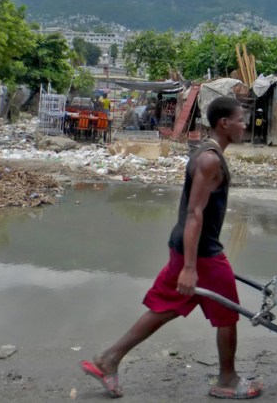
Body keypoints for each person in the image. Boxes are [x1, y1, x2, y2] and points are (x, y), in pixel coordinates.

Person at [80, 97, 262, 400]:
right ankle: (227, 381)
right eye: (241, 119)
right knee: (228, 313)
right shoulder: (209, 159)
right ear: (224, 123)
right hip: (201, 253)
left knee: (165, 307)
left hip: (189, 247)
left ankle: (108, 360)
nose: (246, 125)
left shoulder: (209, 153)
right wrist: (191, 267)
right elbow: (194, 213)